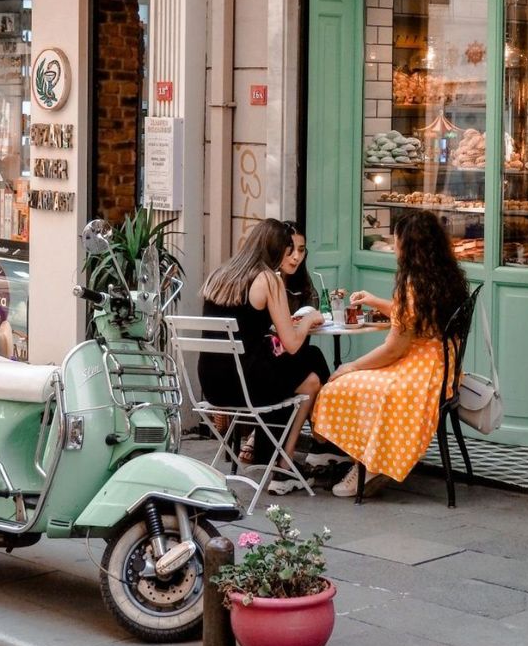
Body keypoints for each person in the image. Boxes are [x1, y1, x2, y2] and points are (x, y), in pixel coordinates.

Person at [312, 211, 470, 498]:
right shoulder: (443, 276)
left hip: (420, 370)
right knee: (361, 382)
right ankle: (365, 457)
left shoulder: (413, 285)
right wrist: (376, 302)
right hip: (442, 365)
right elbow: (417, 317)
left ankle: (370, 464)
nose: (394, 245)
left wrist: (351, 366)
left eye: (396, 240)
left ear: (408, 246)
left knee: (343, 385)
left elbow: (394, 348)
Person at [200, 218, 327, 495]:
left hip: (213, 386)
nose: (292, 255)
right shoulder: (268, 278)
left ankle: (284, 458)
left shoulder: (220, 274)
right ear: (275, 248)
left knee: (308, 380)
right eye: (287, 248)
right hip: (249, 386)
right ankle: (312, 447)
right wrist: (309, 320)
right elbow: (292, 344)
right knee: (312, 359)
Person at [280, 221, 320, 314]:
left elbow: (312, 309)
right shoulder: (266, 279)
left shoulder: (302, 277)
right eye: (290, 249)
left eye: (301, 250)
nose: (296, 257)